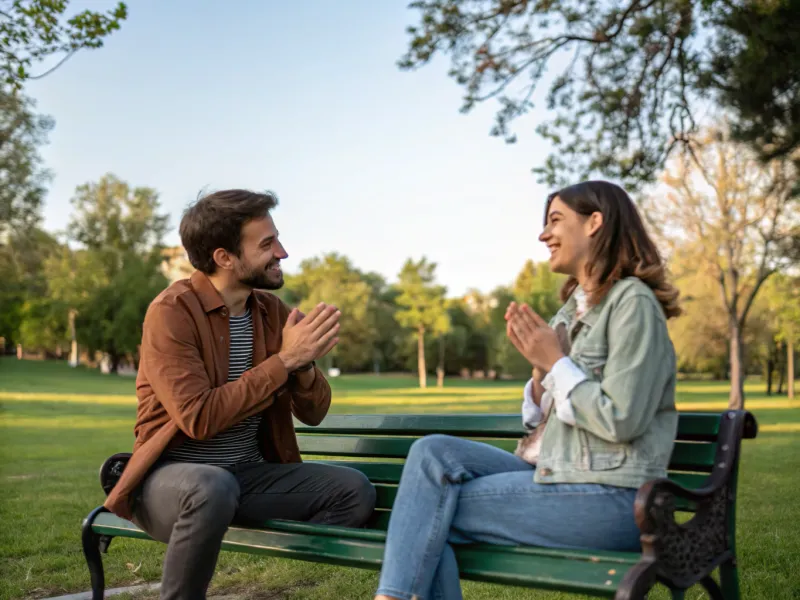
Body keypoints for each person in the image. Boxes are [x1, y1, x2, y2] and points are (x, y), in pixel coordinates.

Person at [375, 180, 682, 600]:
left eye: (555, 220)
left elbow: (621, 419)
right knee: (431, 454)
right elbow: (541, 421)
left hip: (615, 497)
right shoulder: (570, 310)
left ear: (595, 222)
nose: (543, 235)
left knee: (427, 515)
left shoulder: (633, 303)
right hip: (562, 474)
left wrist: (556, 363)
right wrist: (542, 373)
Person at [102, 189, 376, 600]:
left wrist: (302, 365)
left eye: (277, 239)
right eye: (266, 244)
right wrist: (283, 362)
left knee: (353, 491)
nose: (282, 252)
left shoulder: (272, 312)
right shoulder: (171, 312)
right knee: (211, 488)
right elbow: (199, 418)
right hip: (168, 481)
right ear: (224, 257)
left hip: (246, 478)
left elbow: (315, 413)